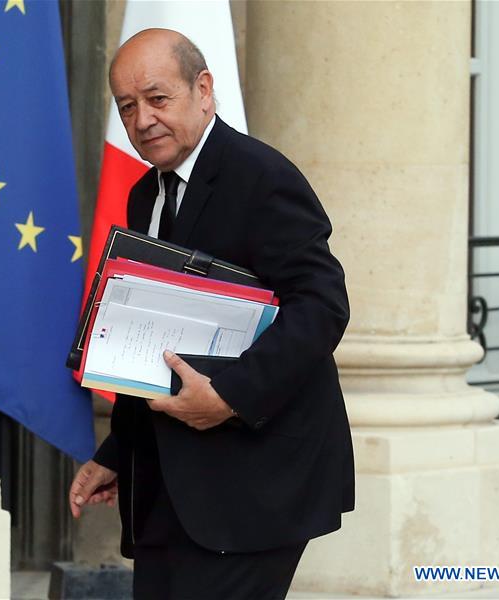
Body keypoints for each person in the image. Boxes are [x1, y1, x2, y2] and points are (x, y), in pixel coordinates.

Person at [69, 28, 354, 600]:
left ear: (203, 90)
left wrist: (230, 396)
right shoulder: (145, 194)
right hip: (166, 491)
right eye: (127, 107)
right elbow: (153, 336)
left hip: (254, 485)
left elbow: (322, 304)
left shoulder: (262, 177)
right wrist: (117, 452)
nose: (143, 120)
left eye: (157, 98)